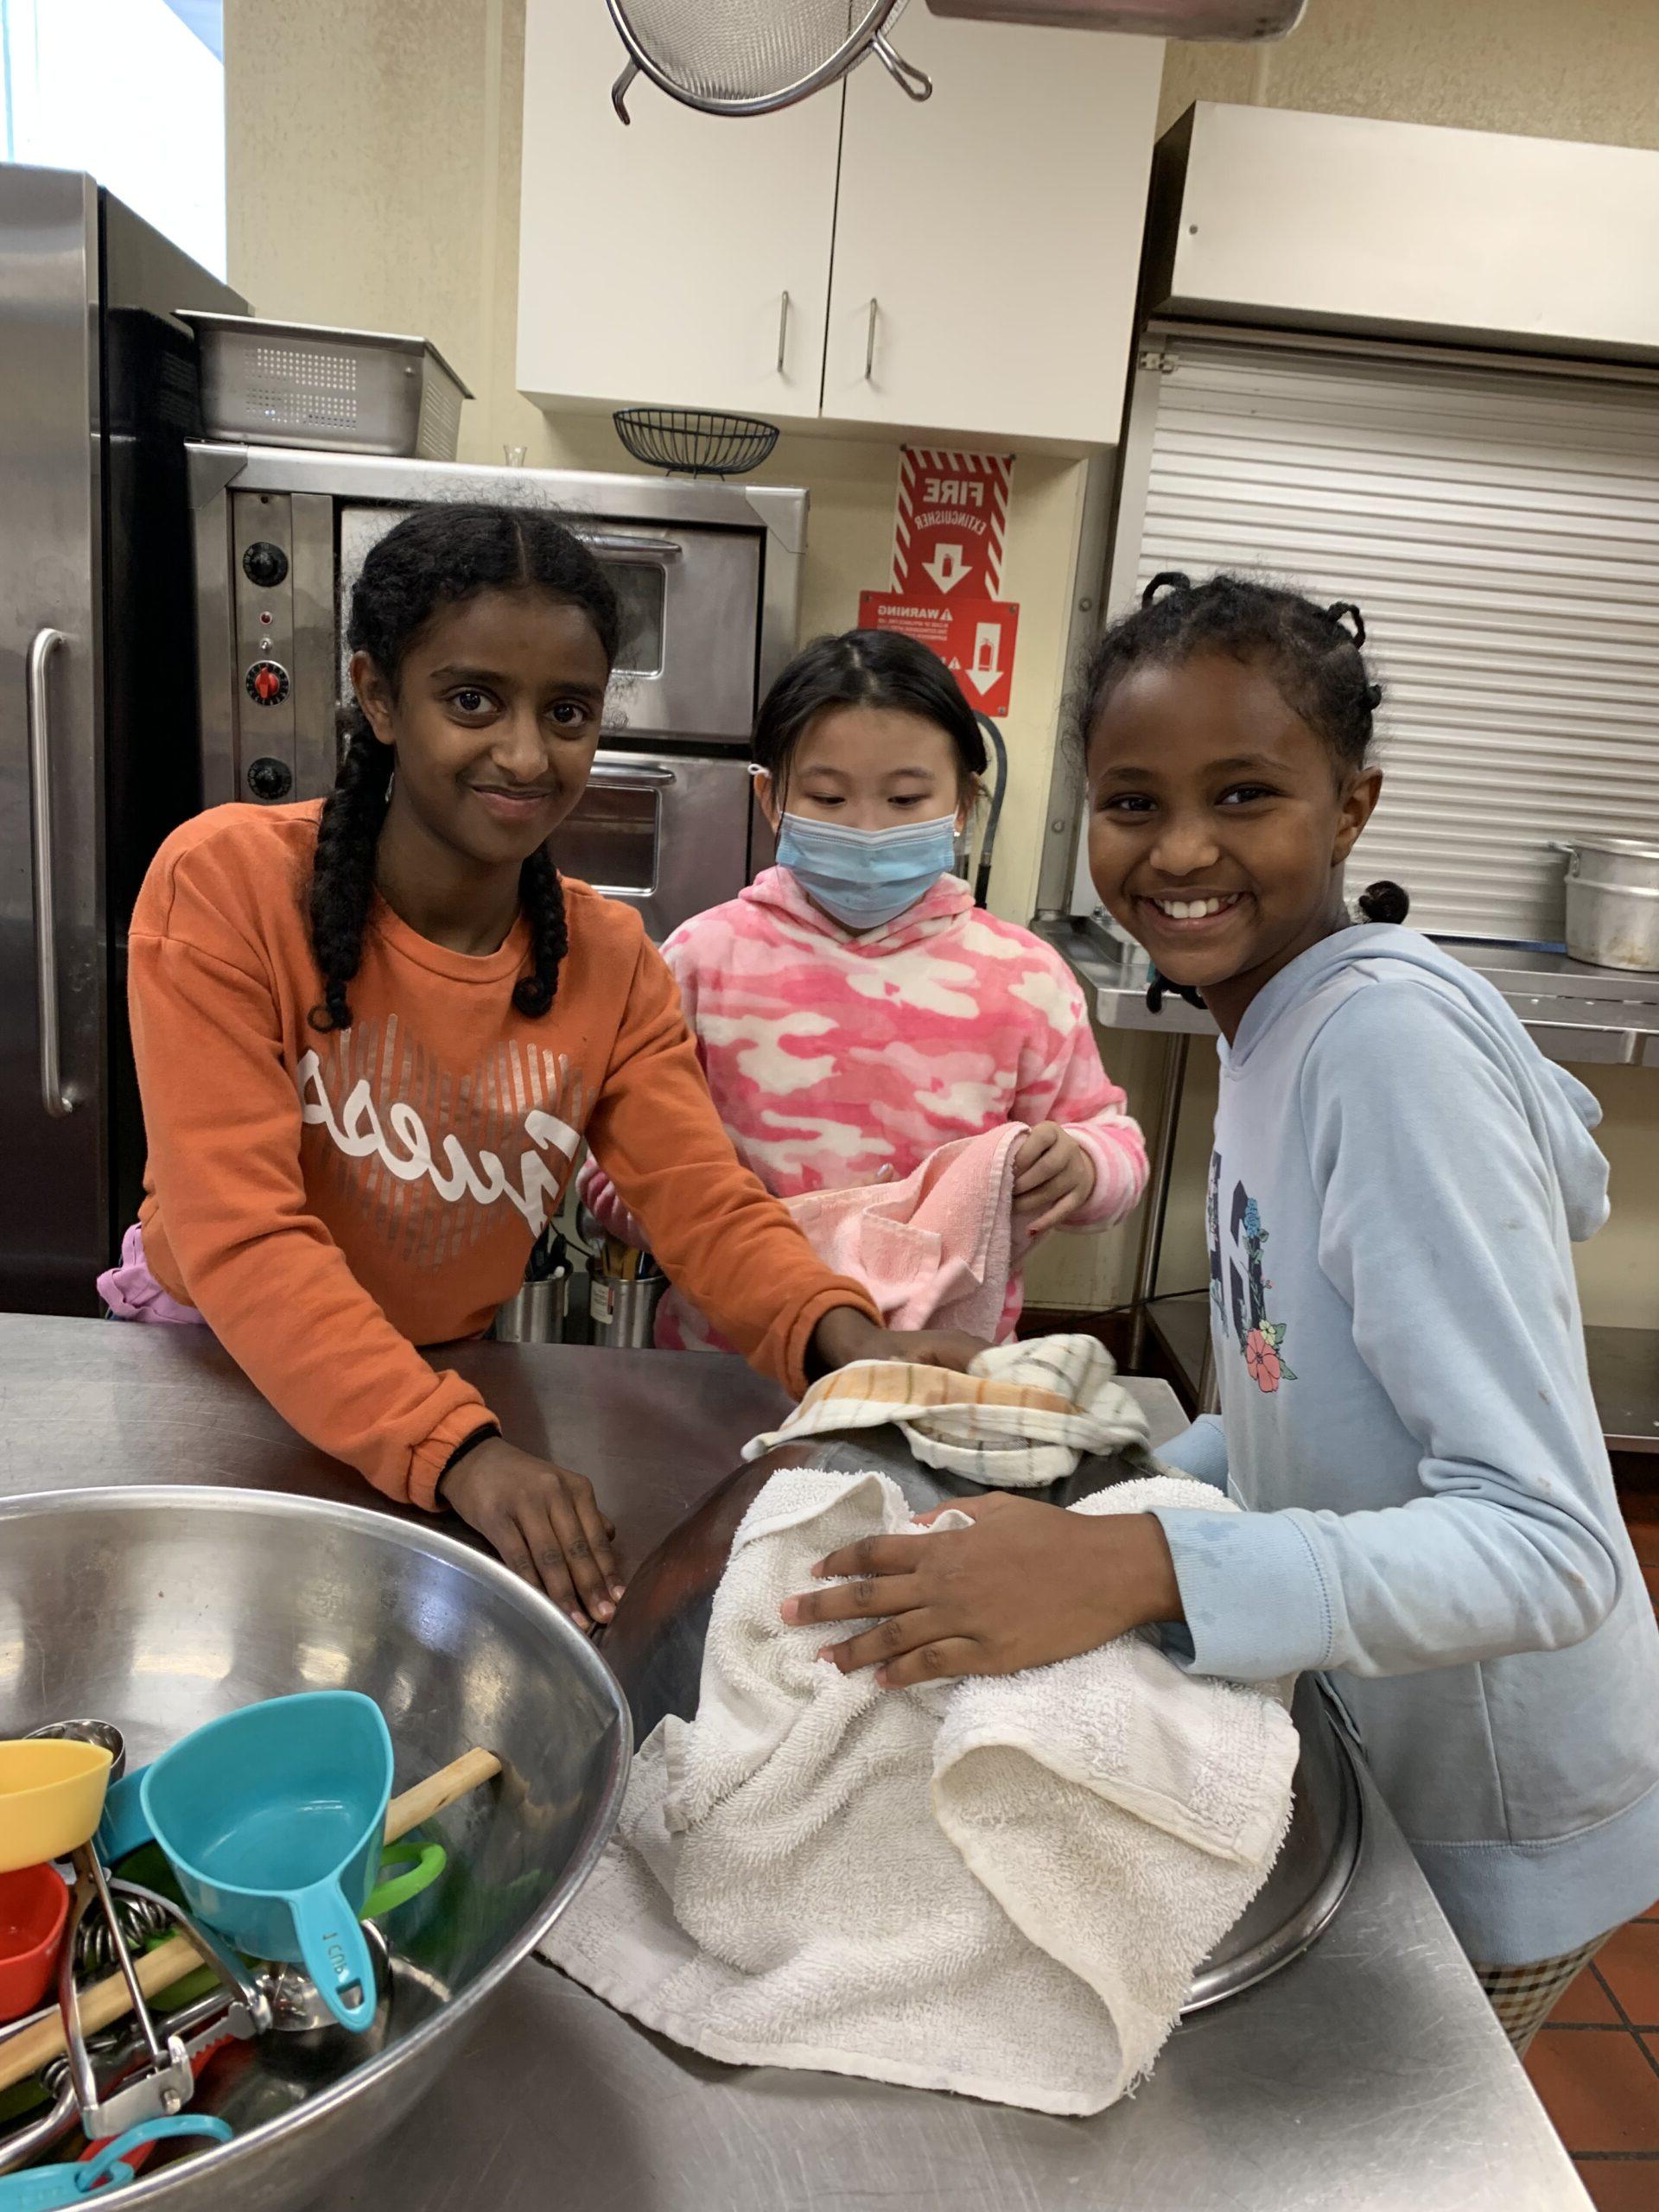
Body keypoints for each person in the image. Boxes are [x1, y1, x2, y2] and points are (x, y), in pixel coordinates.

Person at [779, 571, 1659, 2050]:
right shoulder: (1270, 1023)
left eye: (1244, 794)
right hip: (1384, 1727)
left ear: (1351, 806)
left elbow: (1549, 1547)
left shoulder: (1381, 1052)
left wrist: (1135, 1572)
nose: (1181, 851)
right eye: (1133, 803)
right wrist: (1099, 1485)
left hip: (1493, 1806)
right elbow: (1299, 1399)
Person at [100, 506, 980, 1624]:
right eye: (472, 700)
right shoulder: (223, 887)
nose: (526, 753)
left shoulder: (608, 961)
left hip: (444, 1384)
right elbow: (241, 1236)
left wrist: (844, 1339)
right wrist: (460, 1450)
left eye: (566, 712)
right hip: (218, 1374)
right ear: (378, 695)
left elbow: (703, 1204)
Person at [579, 629, 1147, 1345]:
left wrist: (1083, 1166)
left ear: (963, 805)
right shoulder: (701, 960)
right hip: (727, 1366)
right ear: (770, 797)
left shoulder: (1027, 980)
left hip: (937, 1373)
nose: (869, 829)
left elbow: (1114, 1145)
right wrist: (720, 1223)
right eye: (828, 797)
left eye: (906, 799)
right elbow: (606, 1175)